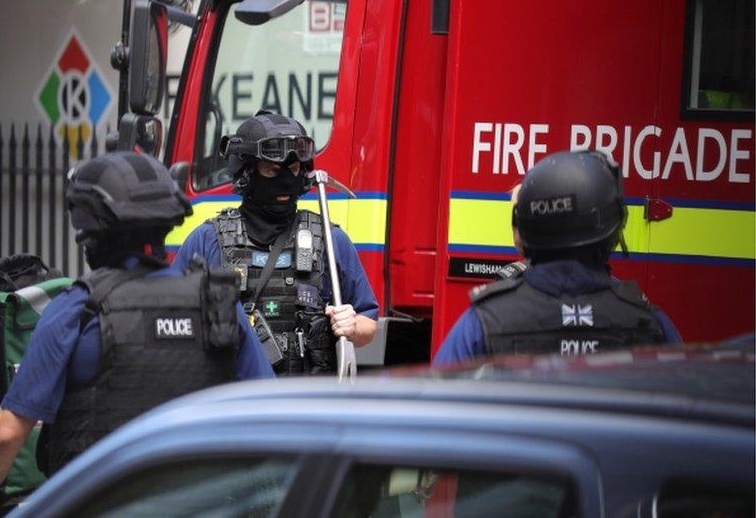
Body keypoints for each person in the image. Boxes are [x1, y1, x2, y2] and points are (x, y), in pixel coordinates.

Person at [0, 151, 274, 518]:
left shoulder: (76, 309)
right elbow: (266, 416)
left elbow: (5, 435)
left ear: (87, 228)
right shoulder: (217, 303)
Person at [173, 112, 379, 375]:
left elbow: (368, 325)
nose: (285, 180)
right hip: (234, 402)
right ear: (246, 173)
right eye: (271, 170)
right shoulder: (208, 239)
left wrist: (353, 326)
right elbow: (170, 320)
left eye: (293, 170)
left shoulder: (329, 237)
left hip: (306, 402)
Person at [434, 150, 681, 365]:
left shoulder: (482, 324)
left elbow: (438, 409)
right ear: (614, 230)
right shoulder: (650, 323)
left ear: (521, 229)